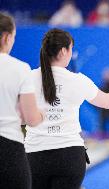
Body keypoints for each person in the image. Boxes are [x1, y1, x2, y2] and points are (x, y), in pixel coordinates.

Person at [24, 28, 109, 189]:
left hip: (34, 156)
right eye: (71, 49)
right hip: (69, 157)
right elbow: (108, 102)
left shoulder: (28, 78)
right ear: (63, 51)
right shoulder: (78, 80)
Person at [0, 12, 43, 189]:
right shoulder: (20, 68)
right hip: (8, 150)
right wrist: (43, 113)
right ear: (6, 37)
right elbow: (31, 119)